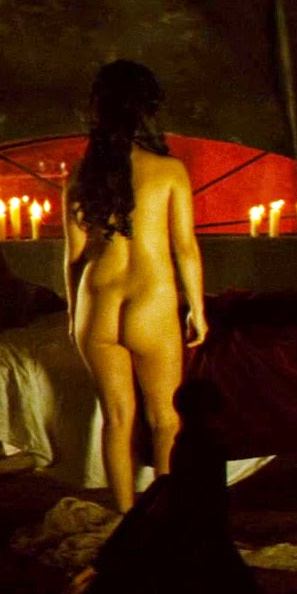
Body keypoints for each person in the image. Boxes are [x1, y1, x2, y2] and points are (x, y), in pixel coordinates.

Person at [64, 60, 208, 513]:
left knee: (116, 418)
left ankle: (126, 519)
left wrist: (72, 316)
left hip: (95, 302)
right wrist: (197, 309)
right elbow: (185, 248)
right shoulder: (169, 171)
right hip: (151, 301)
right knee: (165, 418)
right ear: (147, 110)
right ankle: (161, 519)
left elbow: (74, 258)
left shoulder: (80, 176)